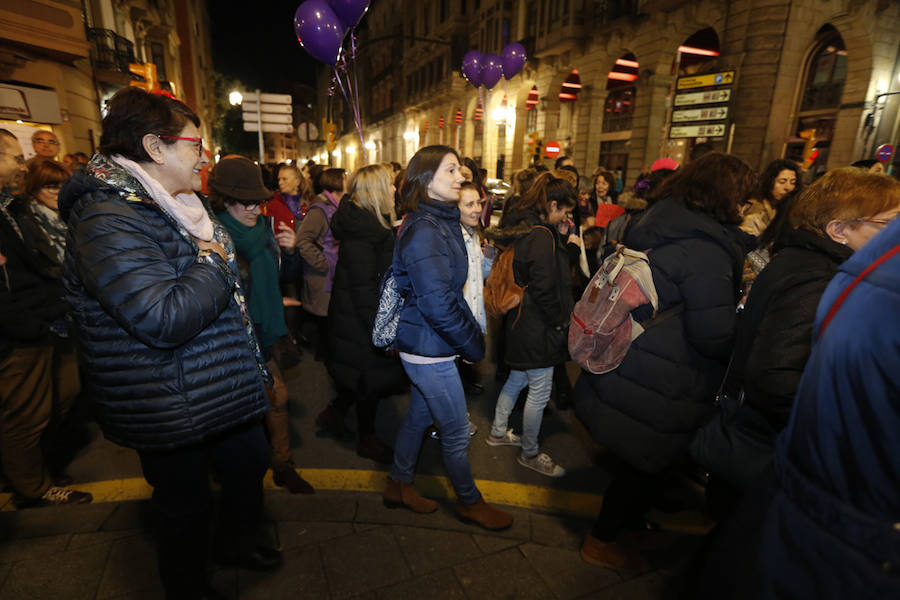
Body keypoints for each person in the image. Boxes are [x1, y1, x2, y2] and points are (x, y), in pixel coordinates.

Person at [59, 88, 279, 598]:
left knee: (248, 463)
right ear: (155, 148)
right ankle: (187, 585)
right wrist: (214, 262)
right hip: (165, 395)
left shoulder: (179, 202)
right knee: (185, 503)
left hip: (215, 381)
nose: (205, 156)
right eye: (195, 145)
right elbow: (160, 317)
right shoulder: (106, 218)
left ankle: (235, 544)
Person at [697, 188, 900, 600]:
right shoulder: (819, 277)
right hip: (765, 447)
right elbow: (773, 374)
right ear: (837, 230)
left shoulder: (807, 263)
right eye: (887, 223)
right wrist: (821, 419)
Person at [573, 152, 756, 570]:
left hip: (638, 360)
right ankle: (600, 541)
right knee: (641, 463)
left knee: (640, 463)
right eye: (744, 199)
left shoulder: (662, 222)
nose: (746, 208)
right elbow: (713, 334)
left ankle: (631, 525)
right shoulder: (705, 249)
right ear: (724, 196)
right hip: (665, 374)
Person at [384, 145, 512, 531]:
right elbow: (439, 304)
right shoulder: (426, 230)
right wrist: (473, 346)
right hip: (429, 349)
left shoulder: (438, 221)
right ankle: (470, 502)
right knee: (455, 432)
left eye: (460, 170)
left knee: (419, 417)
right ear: (426, 180)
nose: (462, 177)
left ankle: (398, 483)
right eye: (451, 171)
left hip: (429, 344)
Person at [209, 156, 313, 495]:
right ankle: (233, 473)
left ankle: (282, 464)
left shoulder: (266, 229)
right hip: (232, 340)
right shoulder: (212, 236)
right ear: (226, 200)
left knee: (277, 398)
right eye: (247, 202)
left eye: (260, 200)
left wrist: (292, 252)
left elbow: (285, 277)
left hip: (266, 332)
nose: (256, 208)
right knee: (239, 412)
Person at [0, 129, 92, 509]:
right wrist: (28, 325)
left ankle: (38, 470)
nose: (22, 163)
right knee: (24, 415)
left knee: (62, 398)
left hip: (49, 319)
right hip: (21, 331)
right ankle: (33, 489)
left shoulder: (11, 207)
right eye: (11, 156)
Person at [485, 176, 577, 477]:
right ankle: (530, 451)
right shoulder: (541, 236)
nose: (567, 217)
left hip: (522, 323)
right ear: (552, 205)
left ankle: (498, 431)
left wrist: (561, 237)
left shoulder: (530, 230)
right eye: (565, 210)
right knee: (540, 389)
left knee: (518, 379)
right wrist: (559, 322)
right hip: (538, 325)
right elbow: (546, 286)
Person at [318, 164, 403, 464]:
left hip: (356, 319)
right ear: (378, 191)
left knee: (358, 379)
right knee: (369, 383)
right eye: (390, 185)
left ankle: (333, 415)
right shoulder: (364, 233)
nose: (395, 189)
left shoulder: (369, 226)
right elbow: (364, 290)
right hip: (359, 321)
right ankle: (367, 439)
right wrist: (383, 332)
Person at [297, 167, 344, 360]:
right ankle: (324, 359)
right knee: (325, 322)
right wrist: (323, 263)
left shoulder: (333, 206)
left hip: (330, 274)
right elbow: (303, 240)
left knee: (330, 322)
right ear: (336, 184)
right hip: (322, 276)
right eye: (345, 178)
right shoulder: (320, 210)